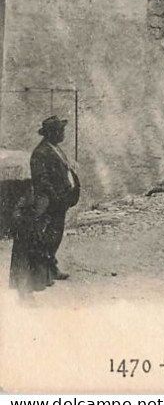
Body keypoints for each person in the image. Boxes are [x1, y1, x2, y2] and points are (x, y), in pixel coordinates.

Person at [30, 115, 80, 282]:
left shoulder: (55, 148)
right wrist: (56, 197)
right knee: (49, 236)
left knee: (55, 235)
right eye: (60, 131)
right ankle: (42, 273)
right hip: (50, 202)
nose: (63, 134)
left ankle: (51, 267)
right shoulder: (41, 152)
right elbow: (42, 180)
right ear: (51, 133)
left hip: (60, 200)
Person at [9, 193, 52, 295]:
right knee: (24, 253)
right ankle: (24, 291)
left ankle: (30, 287)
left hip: (36, 203)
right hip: (26, 211)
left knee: (35, 251)